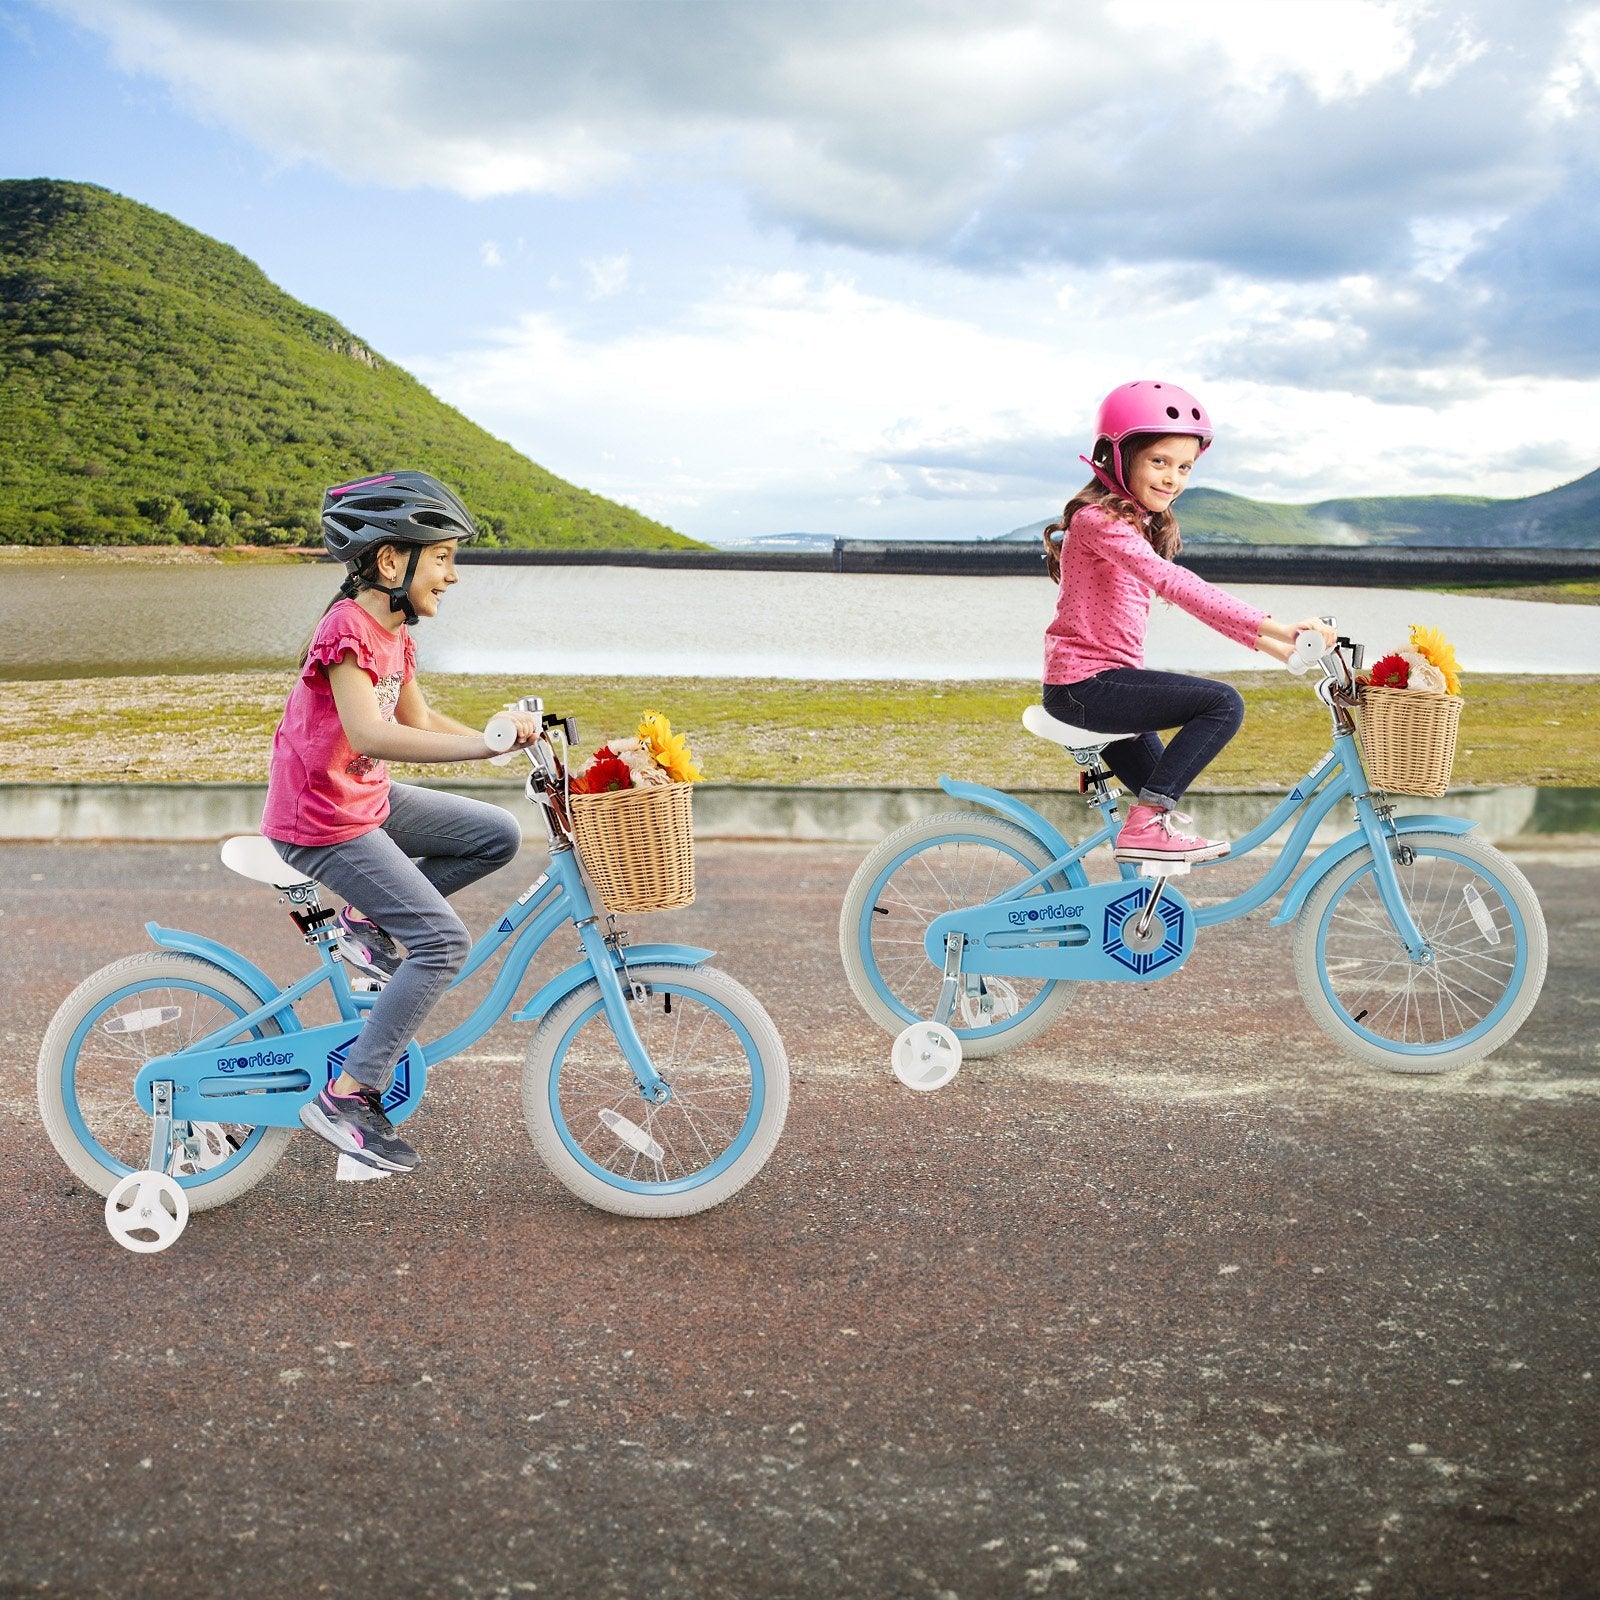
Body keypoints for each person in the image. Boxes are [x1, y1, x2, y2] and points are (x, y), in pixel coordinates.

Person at [262, 470, 540, 1174]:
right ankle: (348, 1094)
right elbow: (371, 734)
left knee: (495, 834)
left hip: (366, 803)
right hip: (321, 821)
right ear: (392, 560)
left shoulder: (393, 631)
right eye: (443, 556)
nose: (452, 574)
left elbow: (417, 721)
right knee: (442, 945)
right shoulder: (347, 628)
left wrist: (505, 739)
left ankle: (366, 923)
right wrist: (482, 744)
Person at [1040, 381, 1334, 863]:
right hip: (1085, 688)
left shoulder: (1131, 523)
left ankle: (1138, 916)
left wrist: (1279, 649)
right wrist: (1278, 629)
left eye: (1185, 467)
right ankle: (1145, 830)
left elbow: (1186, 596)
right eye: (1159, 461)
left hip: (1107, 689)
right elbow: (1180, 586)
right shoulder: (1098, 521)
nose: (1173, 477)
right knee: (1221, 705)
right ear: (1117, 456)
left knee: (1165, 813)